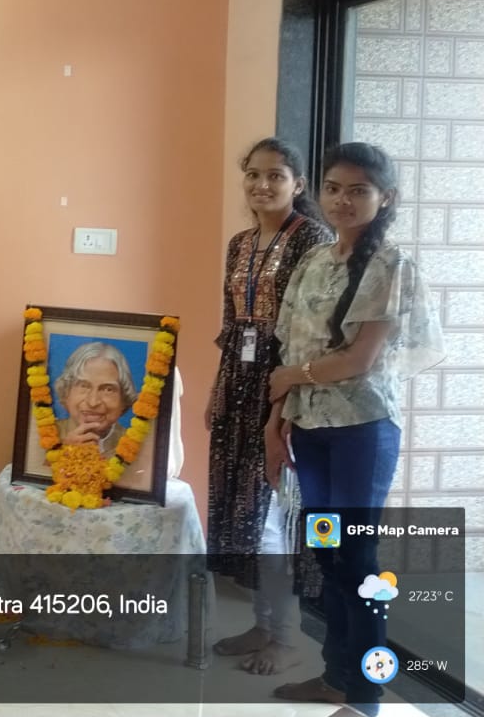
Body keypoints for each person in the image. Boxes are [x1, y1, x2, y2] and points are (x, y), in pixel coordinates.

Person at [268, 142, 443, 717]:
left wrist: (292, 378)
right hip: (311, 432)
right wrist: (276, 424)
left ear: (385, 198)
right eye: (334, 188)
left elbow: (359, 359)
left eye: (358, 190)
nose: (342, 200)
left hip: (360, 434)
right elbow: (289, 350)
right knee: (327, 556)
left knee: (358, 563)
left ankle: (366, 698)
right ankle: (335, 679)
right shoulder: (315, 262)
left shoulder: (391, 265)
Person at [206, 137, 333, 675]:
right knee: (245, 512)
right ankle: (262, 624)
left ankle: (286, 637)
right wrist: (217, 390)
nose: (262, 185)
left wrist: (281, 409)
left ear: (297, 185)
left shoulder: (314, 240)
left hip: (284, 384)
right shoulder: (240, 243)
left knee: (276, 515)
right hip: (239, 383)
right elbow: (231, 324)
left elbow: (309, 332)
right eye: (253, 174)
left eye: (276, 175)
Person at [52, 342, 135, 457]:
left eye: (108, 389)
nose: (93, 402)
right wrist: (64, 454)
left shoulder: (135, 444)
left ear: (124, 399)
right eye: (84, 386)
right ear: (66, 393)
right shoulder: (45, 433)